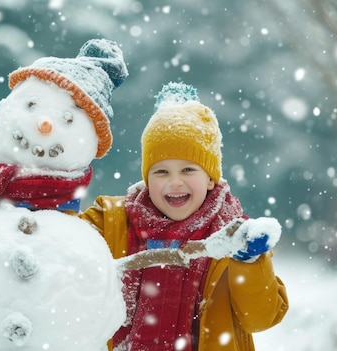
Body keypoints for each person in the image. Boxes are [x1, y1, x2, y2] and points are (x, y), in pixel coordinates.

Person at [79, 82, 288, 351]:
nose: (175, 182)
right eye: (161, 172)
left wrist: (249, 262)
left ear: (211, 178)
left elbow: (261, 318)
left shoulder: (233, 236)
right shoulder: (113, 221)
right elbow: (58, 244)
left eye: (188, 170)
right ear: (146, 178)